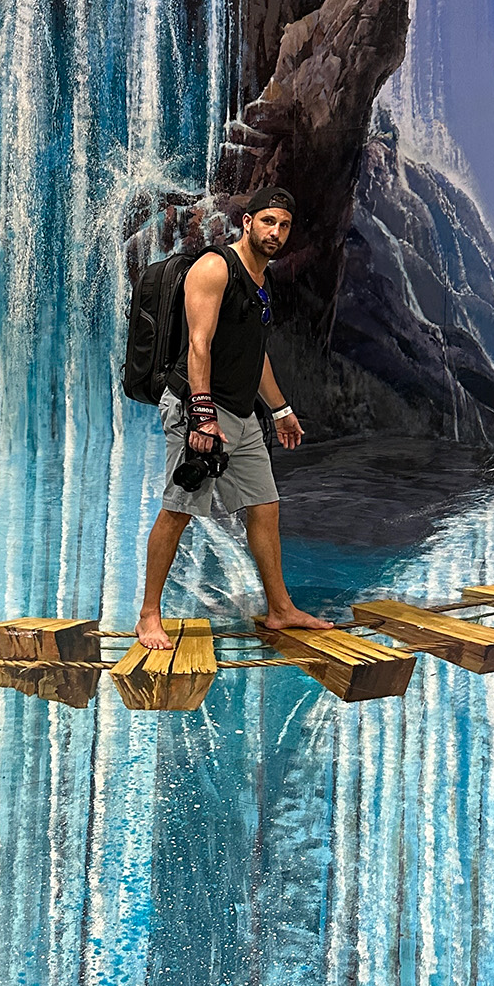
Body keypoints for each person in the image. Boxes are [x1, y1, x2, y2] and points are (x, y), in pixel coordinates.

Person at [135, 185, 333, 651]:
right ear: (248, 222)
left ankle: (280, 609)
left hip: (241, 416)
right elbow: (198, 344)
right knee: (179, 510)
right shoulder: (215, 267)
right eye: (268, 222)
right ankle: (148, 615)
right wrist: (202, 415)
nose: (276, 232)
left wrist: (281, 410)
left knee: (265, 506)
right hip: (199, 408)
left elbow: (254, 354)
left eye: (284, 225)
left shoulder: (262, 281)